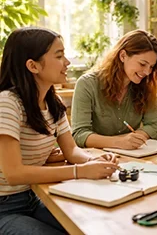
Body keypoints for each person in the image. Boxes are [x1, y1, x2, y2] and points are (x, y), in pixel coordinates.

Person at [0, 27, 118, 234]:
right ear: (33, 66)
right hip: (4, 207)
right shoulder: (7, 103)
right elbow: (14, 174)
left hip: (35, 196)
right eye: (59, 56)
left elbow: (71, 150)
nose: (67, 62)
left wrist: (92, 161)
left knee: (92, 226)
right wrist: (79, 171)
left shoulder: (53, 102)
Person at [72, 30, 157, 149]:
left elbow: (156, 125)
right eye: (142, 64)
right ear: (123, 56)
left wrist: (137, 137)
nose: (147, 72)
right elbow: (79, 134)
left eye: (151, 67)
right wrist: (119, 142)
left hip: (133, 158)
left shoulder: (145, 86)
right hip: (97, 159)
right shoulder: (87, 84)